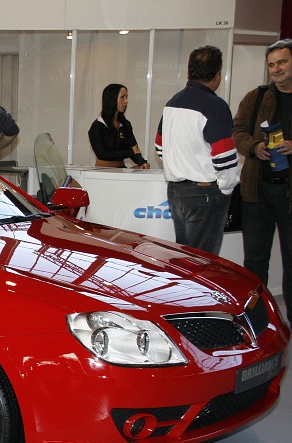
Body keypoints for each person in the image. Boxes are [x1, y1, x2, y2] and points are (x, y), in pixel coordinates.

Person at [155, 45, 239, 255]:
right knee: (203, 262)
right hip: (205, 193)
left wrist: (182, 163)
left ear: (189, 71)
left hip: (176, 192)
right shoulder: (215, 106)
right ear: (218, 75)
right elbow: (225, 158)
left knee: (186, 259)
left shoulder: (173, 102)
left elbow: (160, 147)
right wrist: (226, 190)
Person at [233, 39, 292, 324]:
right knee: (255, 262)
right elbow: (238, 131)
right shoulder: (255, 98)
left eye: (282, 62)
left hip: (289, 195)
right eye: (271, 65)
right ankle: (257, 322)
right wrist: (253, 146)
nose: (276, 69)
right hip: (257, 192)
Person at [88, 83, 150, 168]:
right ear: (111, 99)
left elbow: (134, 147)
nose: (126, 101)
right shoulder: (97, 126)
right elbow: (102, 154)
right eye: (122, 97)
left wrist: (142, 163)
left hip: (121, 170)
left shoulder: (126, 124)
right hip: (103, 172)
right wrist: (130, 152)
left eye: (126, 97)